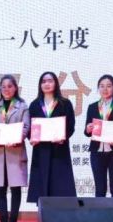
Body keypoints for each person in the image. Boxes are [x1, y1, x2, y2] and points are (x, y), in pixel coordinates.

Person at [0, 74, 30, 222]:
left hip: (15, 151)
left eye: (10, 86)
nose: (6, 89)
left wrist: (17, 138)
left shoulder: (22, 106)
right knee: (1, 189)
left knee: (16, 189)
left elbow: (26, 127)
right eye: (3, 86)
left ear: (15, 88)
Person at [26, 71, 77, 203]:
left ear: (56, 83)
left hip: (59, 149)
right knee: (42, 183)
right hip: (41, 149)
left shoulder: (65, 103)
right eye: (43, 82)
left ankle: (61, 212)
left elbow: (70, 125)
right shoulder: (34, 104)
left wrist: (63, 137)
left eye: (50, 81)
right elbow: (29, 126)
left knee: (60, 183)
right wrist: (32, 137)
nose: (47, 84)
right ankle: (43, 212)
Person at [84, 74, 113, 198]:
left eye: (109, 86)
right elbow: (87, 131)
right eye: (102, 86)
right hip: (97, 152)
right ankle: (99, 212)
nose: (105, 89)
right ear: (98, 89)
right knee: (100, 188)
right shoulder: (92, 107)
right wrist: (88, 129)